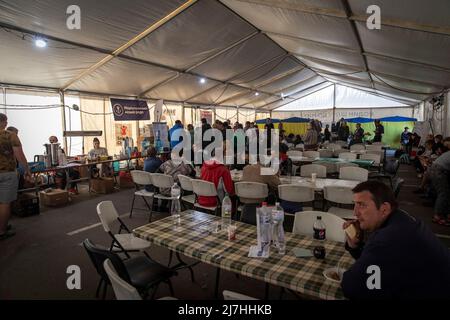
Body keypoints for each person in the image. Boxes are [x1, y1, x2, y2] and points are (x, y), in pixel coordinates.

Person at [341, 180, 450, 299]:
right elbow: (378, 265)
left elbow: (352, 287)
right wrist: (355, 246)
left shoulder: (388, 239)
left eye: (362, 205)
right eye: (355, 204)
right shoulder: (401, 218)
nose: (355, 212)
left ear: (384, 209)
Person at [0, 113, 31, 240]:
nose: (7, 123)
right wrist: (27, 169)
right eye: (5, 121)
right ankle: (2, 231)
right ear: (2, 122)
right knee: (5, 203)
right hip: (7, 173)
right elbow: (19, 155)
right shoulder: (10, 135)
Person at [428, 139, 450, 226]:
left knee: (444, 193)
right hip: (439, 171)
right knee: (443, 193)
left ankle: (443, 214)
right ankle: (438, 216)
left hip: (435, 169)